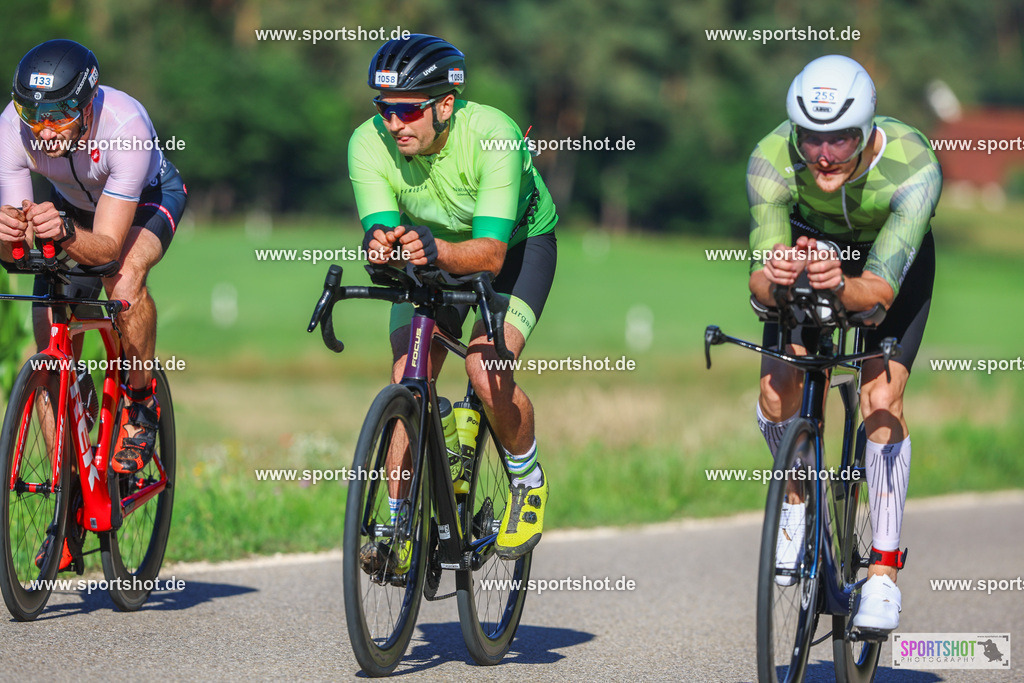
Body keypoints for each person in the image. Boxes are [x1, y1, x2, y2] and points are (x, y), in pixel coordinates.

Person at [747, 54, 941, 632]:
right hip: (809, 253)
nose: (824, 155)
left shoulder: (913, 166)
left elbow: (878, 293)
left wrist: (839, 282)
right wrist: (779, 275)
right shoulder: (770, 158)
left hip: (885, 264)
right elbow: (758, 286)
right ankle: (797, 504)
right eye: (810, 138)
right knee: (777, 391)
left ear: (867, 129)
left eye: (841, 139)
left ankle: (882, 571)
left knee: (881, 399)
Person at [348, 33, 558, 565]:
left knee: (485, 370)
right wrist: (381, 246)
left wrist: (432, 249)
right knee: (407, 377)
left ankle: (526, 480)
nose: (393, 123)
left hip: (515, 248)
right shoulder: (367, 141)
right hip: (432, 249)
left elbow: (490, 255)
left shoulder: (494, 136)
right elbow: (383, 231)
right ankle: (397, 529)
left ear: (445, 106)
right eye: (384, 108)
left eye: (407, 111)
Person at [0, 40, 187, 482]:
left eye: (58, 116)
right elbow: (19, 255)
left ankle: (140, 402)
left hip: (146, 200)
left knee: (123, 280)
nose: (44, 131)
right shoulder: (11, 127)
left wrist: (64, 232)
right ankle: (69, 487)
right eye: (33, 114)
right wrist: (7, 238)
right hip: (72, 205)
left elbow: (106, 250)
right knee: (48, 330)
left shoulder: (126, 125)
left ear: (87, 106)